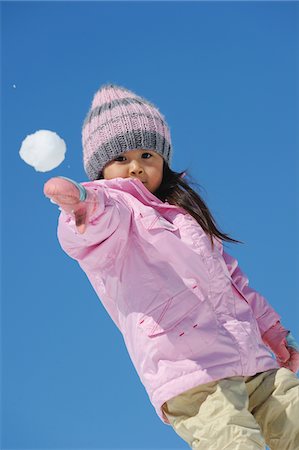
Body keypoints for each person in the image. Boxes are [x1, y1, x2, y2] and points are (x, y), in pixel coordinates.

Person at [44, 83, 299, 449]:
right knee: (234, 441)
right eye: (120, 159)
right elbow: (93, 228)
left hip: (251, 359)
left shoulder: (185, 218)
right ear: (100, 170)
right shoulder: (114, 212)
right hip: (190, 370)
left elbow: (233, 282)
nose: (135, 167)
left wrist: (271, 329)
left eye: (147, 154)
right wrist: (81, 207)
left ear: (163, 160)